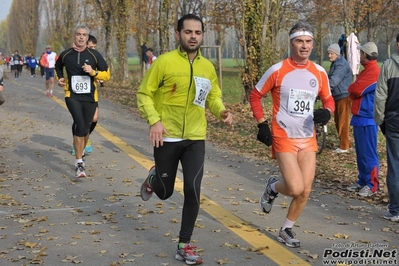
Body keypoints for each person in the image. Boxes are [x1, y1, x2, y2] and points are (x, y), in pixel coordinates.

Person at [137, 14, 233, 265]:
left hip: (195, 137)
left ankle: (184, 244)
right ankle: (154, 177)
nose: (193, 36)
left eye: (197, 32)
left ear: (203, 35)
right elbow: (144, 94)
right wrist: (154, 120)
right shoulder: (164, 63)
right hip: (166, 136)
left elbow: (212, 96)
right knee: (166, 193)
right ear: (178, 34)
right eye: (188, 32)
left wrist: (221, 110)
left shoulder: (207, 67)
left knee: (192, 188)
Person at [249, 21, 335, 248]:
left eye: (308, 42)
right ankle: (273, 187)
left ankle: (286, 229)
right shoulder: (277, 70)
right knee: (295, 187)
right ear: (291, 43)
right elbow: (255, 96)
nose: (304, 46)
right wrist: (262, 124)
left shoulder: (319, 72)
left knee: (305, 191)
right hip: (283, 136)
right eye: (300, 41)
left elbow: (328, 99)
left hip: (308, 138)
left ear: (313, 44)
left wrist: (327, 112)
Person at [55, 25, 110, 178]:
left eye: (84, 35)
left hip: (90, 98)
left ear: (87, 37)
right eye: (78, 34)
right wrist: (60, 78)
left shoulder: (94, 55)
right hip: (72, 96)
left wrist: (93, 72)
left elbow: (107, 74)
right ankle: (79, 163)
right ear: (74, 36)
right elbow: (58, 66)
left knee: (86, 128)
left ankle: (81, 152)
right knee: (79, 125)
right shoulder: (66, 54)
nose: (81, 37)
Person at [347, 42, 380, 197]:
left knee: (369, 154)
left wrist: (354, 89)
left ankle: (372, 184)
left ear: (366, 55)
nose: (359, 56)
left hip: (368, 118)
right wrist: (353, 89)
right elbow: (353, 90)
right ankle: (363, 180)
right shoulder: (366, 71)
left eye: (361, 53)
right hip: (360, 117)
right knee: (361, 153)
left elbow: (356, 89)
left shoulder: (373, 71)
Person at [374, 33, 399, 222]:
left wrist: (380, 120)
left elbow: (380, 96)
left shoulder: (389, 65)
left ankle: (395, 209)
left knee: (395, 165)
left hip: (393, 121)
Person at [70, 34, 100, 156]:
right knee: (79, 120)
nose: (93, 49)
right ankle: (76, 141)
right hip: (76, 95)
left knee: (93, 118)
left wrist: (98, 75)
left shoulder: (95, 57)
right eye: (91, 47)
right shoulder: (75, 56)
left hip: (92, 94)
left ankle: (85, 137)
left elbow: (103, 71)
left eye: (94, 47)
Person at [327, 43, 353, 153]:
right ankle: (344, 143)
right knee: (338, 120)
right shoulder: (335, 63)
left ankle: (344, 146)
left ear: (336, 54)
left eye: (331, 53)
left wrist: (322, 88)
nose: (329, 56)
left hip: (343, 95)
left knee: (342, 121)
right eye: (328, 53)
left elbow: (333, 81)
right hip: (338, 95)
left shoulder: (341, 65)